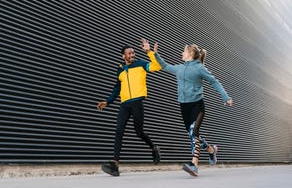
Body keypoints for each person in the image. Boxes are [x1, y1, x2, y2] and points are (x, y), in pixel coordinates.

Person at [151, 41, 233, 177]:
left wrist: (225, 97)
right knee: (192, 134)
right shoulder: (179, 68)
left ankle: (194, 165)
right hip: (184, 107)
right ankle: (211, 149)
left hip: (197, 106)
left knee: (193, 133)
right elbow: (164, 65)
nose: (181, 53)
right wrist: (154, 54)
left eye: (183, 51)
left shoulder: (199, 68)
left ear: (190, 54)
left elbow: (214, 81)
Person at [97, 39, 162, 176]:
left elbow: (157, 67)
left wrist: (149, 52)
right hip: (124, 104)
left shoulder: (141, 64)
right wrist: (108, 101)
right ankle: (115, 164)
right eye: (129, 53)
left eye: (133, 52)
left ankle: (153, 148)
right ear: (123, 56)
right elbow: (117, 87)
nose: (132, 55)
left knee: (139, 133)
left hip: (137, 103)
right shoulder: (120, 69)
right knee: (118, 131)